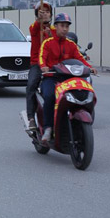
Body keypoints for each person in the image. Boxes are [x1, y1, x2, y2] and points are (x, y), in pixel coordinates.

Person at [38, 13, 96, 145]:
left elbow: (80, 59)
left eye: (67, 27)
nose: (64, 29)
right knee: (49, 97)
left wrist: (90, 67)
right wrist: (44, 67)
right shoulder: (47, 43)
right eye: (62, 26)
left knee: (83, 92)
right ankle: (48, 128)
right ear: (56, 26)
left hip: (69, 79)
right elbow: (42, 57)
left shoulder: (71, 44)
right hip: (52, 78)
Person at [25, 2, 56, 130]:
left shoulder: (55, 30)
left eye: (47, 12)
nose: (45, 14)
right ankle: (31, 118)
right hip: (37, 64)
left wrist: (49, 34)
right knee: (31, 86)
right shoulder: (34, 27)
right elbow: (34, 28)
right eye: (41, 12)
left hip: (53, 66)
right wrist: (39, 20)